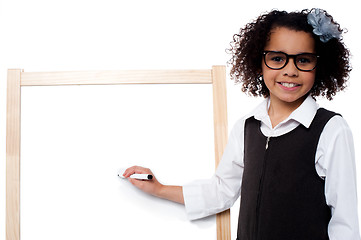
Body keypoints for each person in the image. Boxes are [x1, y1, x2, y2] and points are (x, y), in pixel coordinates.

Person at [123, 8, 360, 239]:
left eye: (304, 60)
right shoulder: (247, 127)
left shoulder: (331, 129)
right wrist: (160, 189)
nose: (290, 70)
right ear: (259, 63)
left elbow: (345, 222)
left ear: (320, 66)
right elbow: (222, 191)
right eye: (277, 58)